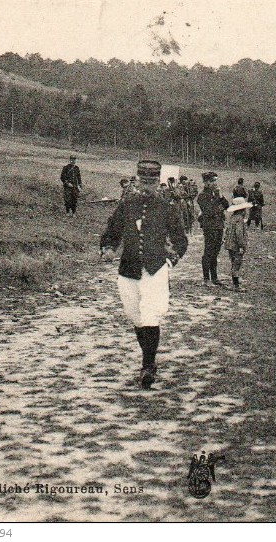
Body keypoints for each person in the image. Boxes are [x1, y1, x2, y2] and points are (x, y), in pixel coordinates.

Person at [99, 160, 187, 389]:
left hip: (155, 269)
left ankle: (148, 365)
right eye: (143, 180)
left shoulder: (167, 206)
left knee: (150, 315)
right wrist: (108, 248)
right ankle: (148, 358)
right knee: (135, 316)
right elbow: (112, 231)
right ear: (137, 180)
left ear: (157, 182)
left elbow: (181, 240)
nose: (147, 185)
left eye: (151, 181)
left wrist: (170, 260)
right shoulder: (127, 204)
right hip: (128, 269)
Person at [197, 172, 230, 287]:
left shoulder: (216, 194)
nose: (215, 183)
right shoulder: (202, 196)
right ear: (206, 182)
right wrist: (217, 203)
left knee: (215, 252)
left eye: (215, 181)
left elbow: (227, 206)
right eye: (212, 181)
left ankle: (214, 278)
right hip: (210, 227)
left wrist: (220, 196)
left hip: (219, 226)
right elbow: (209, 211)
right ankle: (206, 279)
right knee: (208, 252)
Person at [223, 196, 252, 291]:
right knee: (237, 264)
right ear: (242, 209)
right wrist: (241, 245)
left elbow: (228, 231)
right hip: (236, 245)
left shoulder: (232, 218)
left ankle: (235, 282)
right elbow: (239, 233)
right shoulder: (240, 220)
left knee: (233, 263)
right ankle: (236, 285)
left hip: (230, 244)